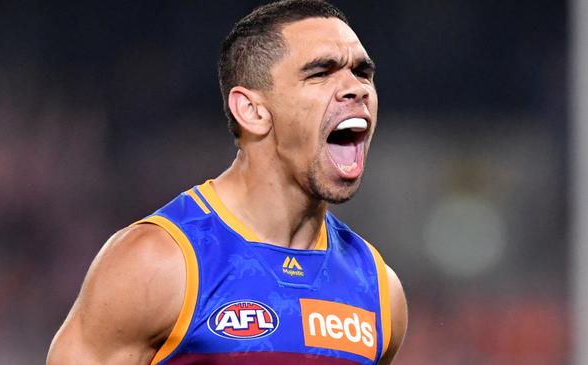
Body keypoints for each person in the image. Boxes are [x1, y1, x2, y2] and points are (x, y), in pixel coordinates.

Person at [47, 1, 407, 364]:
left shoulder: (378, 290)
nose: (355, 89)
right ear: (252, 111)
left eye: (362, 73)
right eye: (320, 73)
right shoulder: (159, 262)